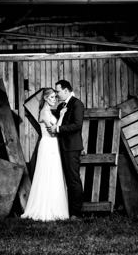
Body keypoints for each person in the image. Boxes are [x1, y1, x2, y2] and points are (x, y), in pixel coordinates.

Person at [21, 88, 68, 220]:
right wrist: (62, 116)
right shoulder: (44, 113)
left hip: (53, 144)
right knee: (47, 173)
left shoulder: (49, 112)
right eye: (52, 97)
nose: (55, 99)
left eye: (55, 97)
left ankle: (55, 206)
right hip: (48, 144)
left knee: (54, 174)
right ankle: (45, 208)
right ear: (46, 98)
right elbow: (53, 132)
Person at [54, 79, 85, 217]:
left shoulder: (77, 104)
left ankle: (76, 213)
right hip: (61, 146)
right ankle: (66, 211)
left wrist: (59, 129)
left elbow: (77, 125)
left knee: (73, 179)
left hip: (72, 147)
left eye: (58, 91)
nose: (56, 94)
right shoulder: (61, 107)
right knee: (66, 179)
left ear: (66, 90)